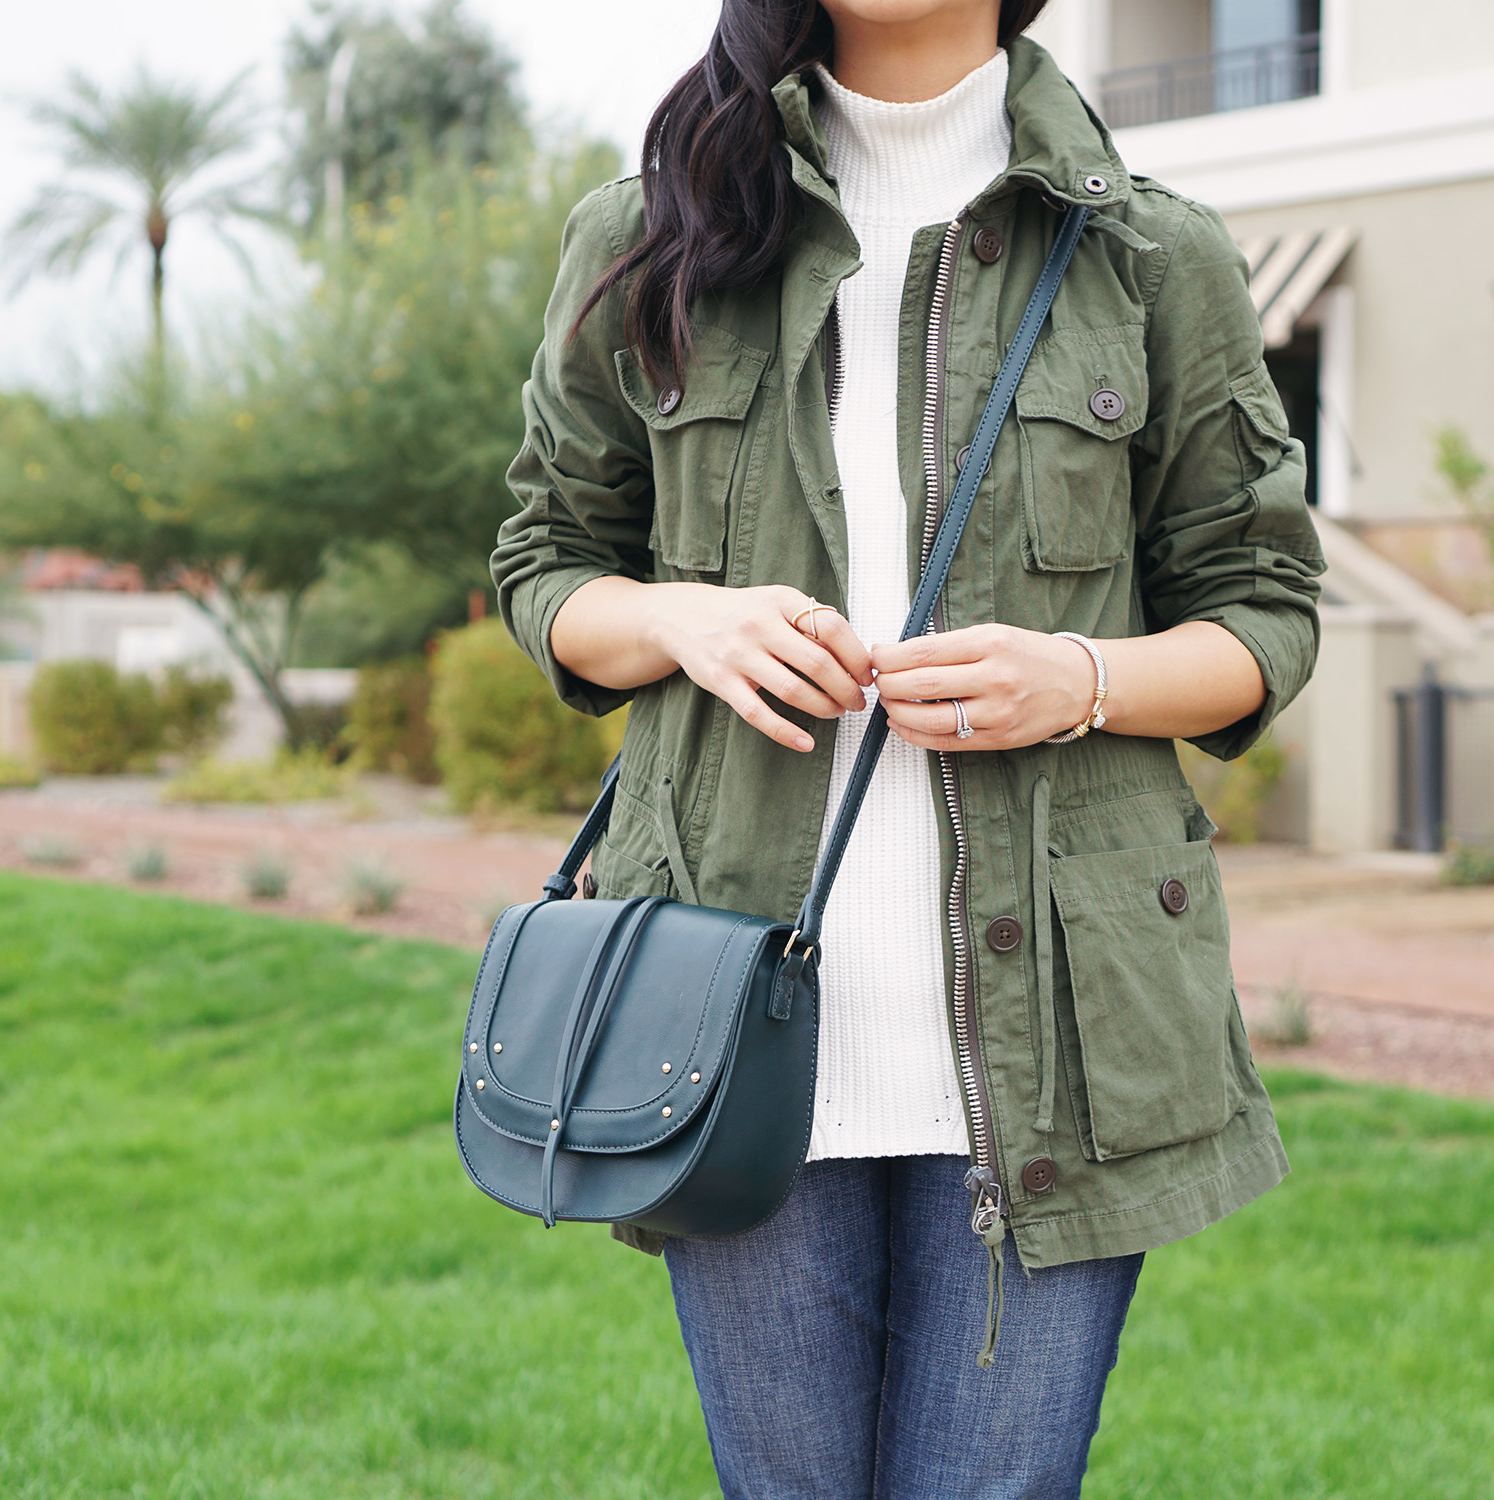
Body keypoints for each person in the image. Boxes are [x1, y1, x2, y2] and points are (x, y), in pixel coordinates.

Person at [490, 0, 1324, 1492]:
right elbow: (544, 564)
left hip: (1057, 1037)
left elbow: (1259, 614)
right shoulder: (654, 231)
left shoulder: (1147, 251)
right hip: (725, 1011)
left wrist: (1076, 677)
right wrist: (686, 622)